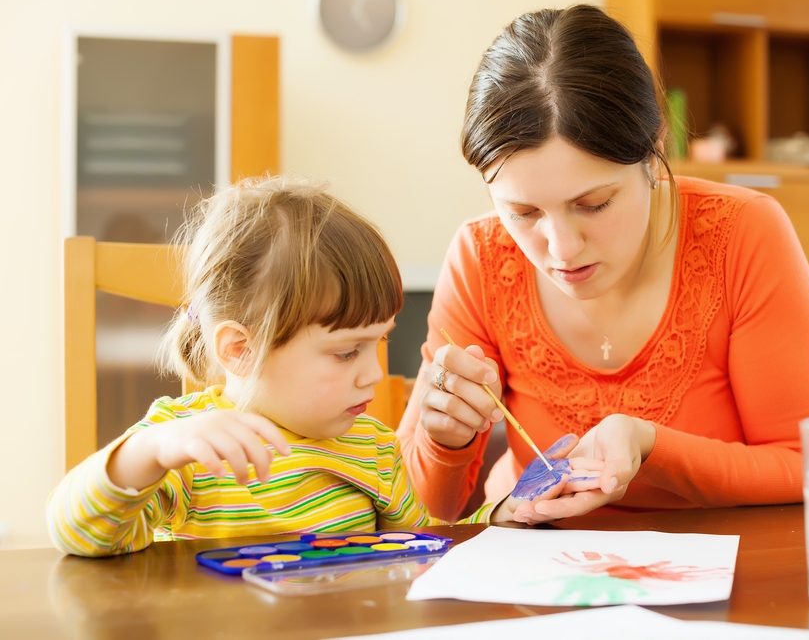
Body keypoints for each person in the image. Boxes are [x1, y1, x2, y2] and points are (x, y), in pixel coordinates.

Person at [396, 5, 809, 522]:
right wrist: (443, 440)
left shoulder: (743, 234)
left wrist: (651, 446)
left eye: (594, 204)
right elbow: (416, 516)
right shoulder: (480, 258)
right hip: (545, 584)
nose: (561, 248)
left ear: (653, 155)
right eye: (522, 212)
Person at [47, 175, 596, 557]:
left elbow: (428, 552)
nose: (373, 375)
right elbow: (75, 532)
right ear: (239, 349)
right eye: (345, 352)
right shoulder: (186, 449)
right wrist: (149, 452)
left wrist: (503, 515)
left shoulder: (376, 452)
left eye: (377, 344)